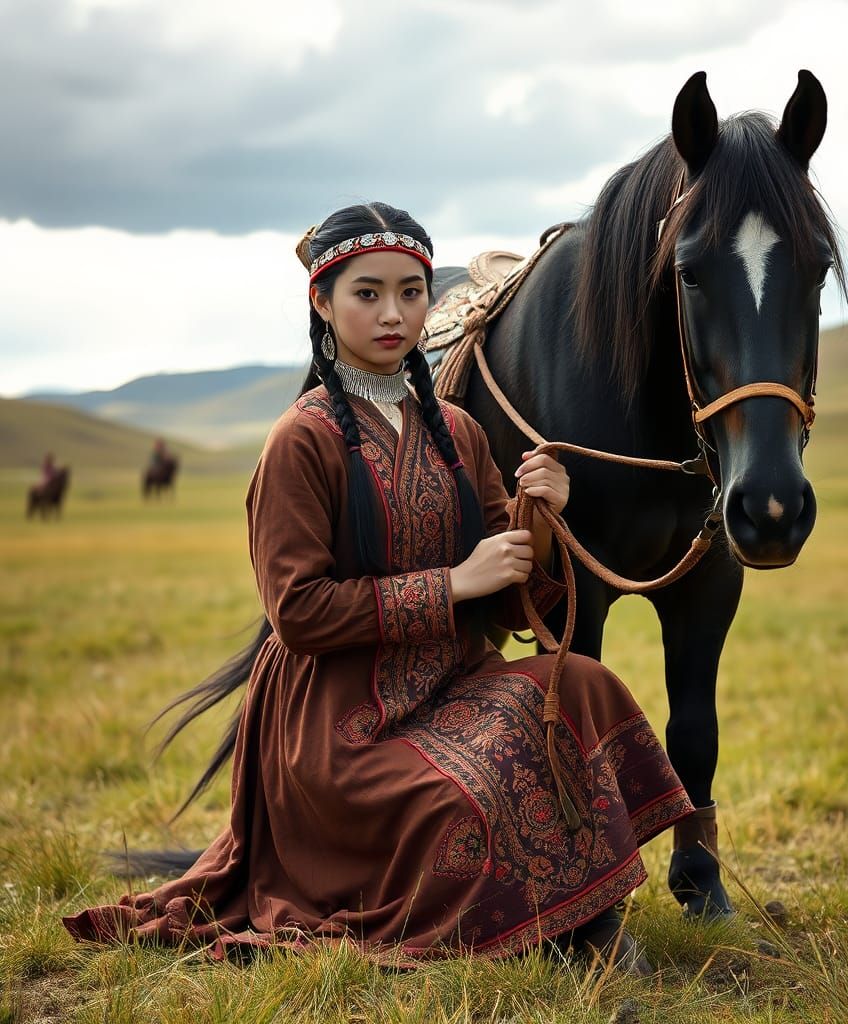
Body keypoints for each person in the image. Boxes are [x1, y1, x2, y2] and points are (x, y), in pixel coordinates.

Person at [63, 203, 693, 973]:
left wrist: (544, 518)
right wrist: (453, 583)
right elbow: (296, 613)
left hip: (448, 689)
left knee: (586, 691)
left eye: (412, 292)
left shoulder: (457, 433)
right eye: (367, 293)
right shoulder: (302, 440)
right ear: (322, 303)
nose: (393, 313)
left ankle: (574, 913)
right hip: (335, 728)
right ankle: (546, 931)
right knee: (466, 799)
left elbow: (517, 601)